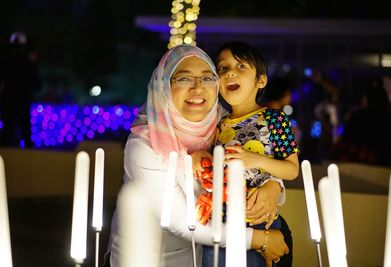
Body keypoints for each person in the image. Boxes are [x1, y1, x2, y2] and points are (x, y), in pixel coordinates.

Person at [106, 44, 289, 267]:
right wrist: (260, 240)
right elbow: (182, 223)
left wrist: (273, 185)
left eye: (207, 78)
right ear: (163, 86)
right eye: (183, 79)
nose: (197, 88)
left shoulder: (222, 124)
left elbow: (256, 155)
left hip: (206, 256)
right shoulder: (145, 144)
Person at [195, 42, 299, 267]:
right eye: (222, 69)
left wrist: (255, 160)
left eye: (241, 66)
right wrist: (202, 155)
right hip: (221, 222)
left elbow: (292, 169)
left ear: (260, 80)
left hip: (260, 223)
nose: (230, 72)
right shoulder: (218, 125)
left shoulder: (275, 119)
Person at [0, 32, 41, 147]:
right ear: (24, 47)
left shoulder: (4, 62)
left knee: (6, 134)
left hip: (7, 102)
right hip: (23, 102)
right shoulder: (28, 63)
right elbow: (37, 84)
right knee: (26, 135)